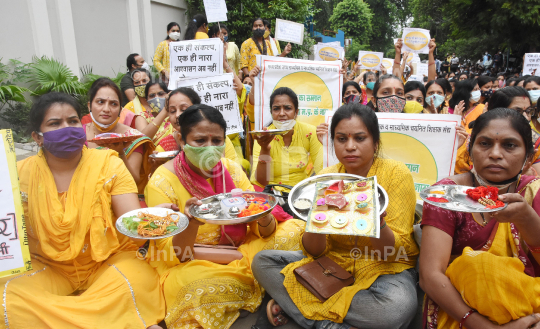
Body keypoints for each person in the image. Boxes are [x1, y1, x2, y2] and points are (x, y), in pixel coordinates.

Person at [2, 92, 170, 328]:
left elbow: (130, 219)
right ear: (37, 138)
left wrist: (154, 217)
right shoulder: (15, 175)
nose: (67, 128)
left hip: (107, 262)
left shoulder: (108, 163)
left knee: (138, 280)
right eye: (54, 123)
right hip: (48, 267)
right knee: (6, 298)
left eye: (72, 121)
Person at [252, 104, 420, 328]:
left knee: (396, 308)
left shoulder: (396, 174)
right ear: (333, 142)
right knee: (262, 262)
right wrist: (315, 221)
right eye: (341, 139)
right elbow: (314, 252)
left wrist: (378, 224)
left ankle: (301, 308)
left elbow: (392, 252)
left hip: (383, 270)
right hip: (332, 266)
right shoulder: (324, 178)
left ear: (375, 142)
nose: (350, 147)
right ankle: (326, 324)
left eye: (360, 138)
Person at [144, 104, 305, 329]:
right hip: (197, 262)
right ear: (181, 140)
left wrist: (261, 214)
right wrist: (191, 223)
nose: (210, 148)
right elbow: (173, 253)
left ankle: (262, 283)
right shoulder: (161, 182)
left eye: (217, 141)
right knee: (194, 290)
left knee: (296, 230)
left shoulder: (230, 168)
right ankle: (270, 285)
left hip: (243, 247)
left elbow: (263, 231)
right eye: (200, 141)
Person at [420, 108, 540, 329]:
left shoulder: (534, 192)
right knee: (478, 266)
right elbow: (430, 276)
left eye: (510, 145)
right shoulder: (446, 194)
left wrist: (526, 218)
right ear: (470, 149)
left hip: (530, 307)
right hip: (462, 310)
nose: (495, 153)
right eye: (484, 144)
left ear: (529, 157)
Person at [85, 78, 155, 195]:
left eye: (113, 104)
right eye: (100, 102)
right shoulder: (78, 134)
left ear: (120, 109)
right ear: (89, 106)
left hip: (123, 197)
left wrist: (121, 154)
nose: (106, 109)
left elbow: (134, 180)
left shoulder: (132, 137)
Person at [250, 86, 323, 189]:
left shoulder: (310, 132)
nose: (282, 113)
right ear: (271, 113)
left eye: (287, 108)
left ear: (296, 113)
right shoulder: (263, 136)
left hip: (299, 192)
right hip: (270, 191)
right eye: (276, 109)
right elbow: (262, 181)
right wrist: (265, 148)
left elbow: (322, 171)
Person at [155, 87, 238, 162]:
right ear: (181, 140)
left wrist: (220, 161)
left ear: (197, 109)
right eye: (172, 111)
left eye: (183, 109)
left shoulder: (218, 139)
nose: (177, 115)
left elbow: (234, 172)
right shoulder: (164, 146)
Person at [124, 69, 174, 146]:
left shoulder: (175, 114)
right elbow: (143, 140)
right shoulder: (142, 117)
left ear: (167, 95)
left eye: (161, 94)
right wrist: (164, 111)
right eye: (152, 96)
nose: (156, 98)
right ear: (147, 100)